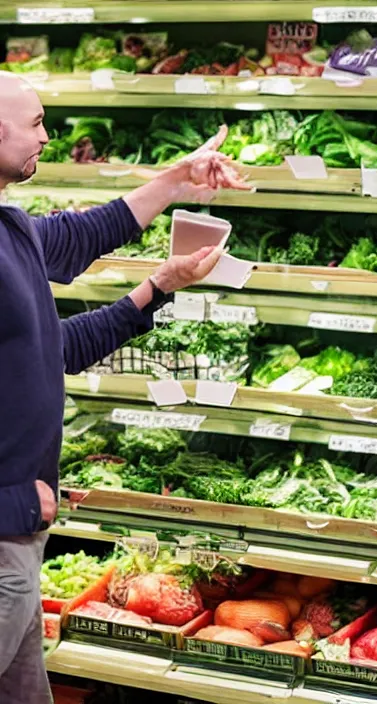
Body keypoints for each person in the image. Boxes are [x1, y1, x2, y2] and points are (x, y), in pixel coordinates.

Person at [0, 72, 250, 702]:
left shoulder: (11, 230)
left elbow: (63, 328)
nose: (48, 136)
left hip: (19, 539)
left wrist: (159, 282)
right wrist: (12, 504)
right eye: (35, 123)